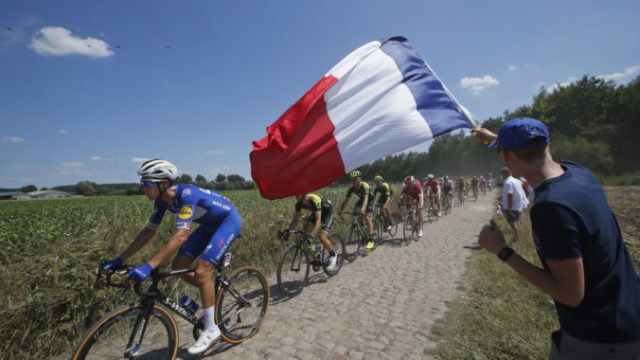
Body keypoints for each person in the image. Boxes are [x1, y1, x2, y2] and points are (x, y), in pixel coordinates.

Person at [473, 118, 640, 359]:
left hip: (601, 337)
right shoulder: (578, 171)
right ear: (546, 144)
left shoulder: (551, 207)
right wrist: (498, 141)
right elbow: (529, 154)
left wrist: (502, 250)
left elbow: (571, 294)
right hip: (627, 310)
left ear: (505, 158)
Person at [100, 159, 242, 355]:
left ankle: (211, 329)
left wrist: (149, 266)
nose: (144, 189)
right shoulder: (161, 201)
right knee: (178, 267)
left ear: (164, 183)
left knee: (202, 272)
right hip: (208, 226)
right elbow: (148, 232)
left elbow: (181, 235)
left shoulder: (186, 194)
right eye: (142, 183)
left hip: (227, 222)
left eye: (147, 184)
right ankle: (210, 299)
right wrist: (119, 259)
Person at [285, 193, 338, 271]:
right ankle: (315, 251)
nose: (295, 196)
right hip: (318, 213)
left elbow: (318, 221)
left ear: (303, 194)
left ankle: (333, 255)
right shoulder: (299, 204)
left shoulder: (314, 199)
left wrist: (311, 236)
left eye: (297, 194)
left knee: (322, 237)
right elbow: (295, 220)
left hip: (327, 214)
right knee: (304, 231)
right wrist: (288, 232)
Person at [339, 170, 376, 249]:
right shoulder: (351, 189)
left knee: (367, 218)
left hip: (370, 200)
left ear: (360, 179)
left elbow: (366, 199)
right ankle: (363, 232)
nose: (353, 181)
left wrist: (362, 211)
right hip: (362, 200)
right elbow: (346, 201)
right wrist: (341, 211)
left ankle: (371, 239)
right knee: (356, 213)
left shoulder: (364, 185)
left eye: (355, 179)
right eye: (352, 179)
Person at [499, 167, 529, 242]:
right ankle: (519, 238)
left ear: (504, 174)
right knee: (517, 222)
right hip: (518, 205)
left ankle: (516, 240)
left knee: (512, 224)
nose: (501, 177)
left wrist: (509, 208)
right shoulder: (516, 181)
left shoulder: (508, 182)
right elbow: (517, 192)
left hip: (512, 207)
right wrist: (502, 196)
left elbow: (510, 195)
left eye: (501, 175)